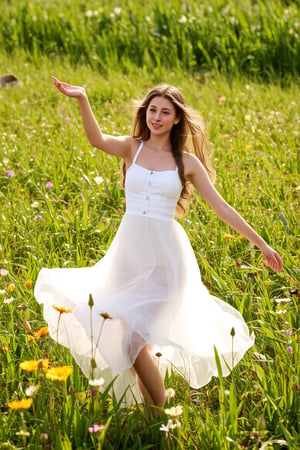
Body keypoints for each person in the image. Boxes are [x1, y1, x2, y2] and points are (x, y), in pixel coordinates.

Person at [34, 77, 282, 413]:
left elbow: (221, 207)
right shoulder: (131, 147)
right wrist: (82, 98)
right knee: (137, 345)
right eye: (152, 110)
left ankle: (162, 416)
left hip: (166, 261)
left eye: (165, 112)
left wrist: (262, 244)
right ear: (145, 112)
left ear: (177, 118)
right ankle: (153, 417)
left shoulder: (186, 163)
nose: (157, 117)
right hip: (128, 257)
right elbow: (96, 139)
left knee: (132, 343)